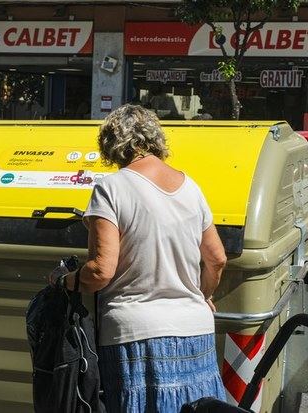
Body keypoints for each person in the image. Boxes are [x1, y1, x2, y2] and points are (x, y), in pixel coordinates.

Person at [55, 104, 227, 412]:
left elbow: (100, 271)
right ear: (155, 139)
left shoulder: (112, 188)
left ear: (112, 145)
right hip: (195, 329)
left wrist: (63, 281)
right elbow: (216, 259)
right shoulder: (191, 187)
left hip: (136, 335)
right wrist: (202, 296)